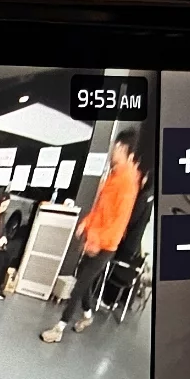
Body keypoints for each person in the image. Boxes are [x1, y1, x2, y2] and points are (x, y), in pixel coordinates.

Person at [41, 132, 142, 342]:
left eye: (117, 148)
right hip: (94, 238)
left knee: (79, 285)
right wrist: (86, 224)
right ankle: (87, 315)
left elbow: (118, 222)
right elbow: (99, 208)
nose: (112, 152)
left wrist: (96, 241)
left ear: (126, 152)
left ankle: (59, 328)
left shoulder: (127, 183)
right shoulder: (113, 176)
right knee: (83, 279)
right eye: (114, 147)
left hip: (106, 245)